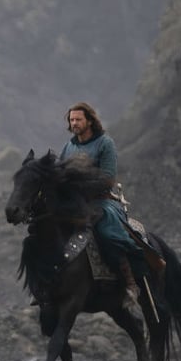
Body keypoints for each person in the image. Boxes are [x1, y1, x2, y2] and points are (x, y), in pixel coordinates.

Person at [59, 102, 146, 309]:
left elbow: (108, 179)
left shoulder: (105, 144)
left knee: (108, 233)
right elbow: (60, 173)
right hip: (74, 203)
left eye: (78, 119)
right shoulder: (69, 147)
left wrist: (78, 184)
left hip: (101, 201)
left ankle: (131, 285)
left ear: (89, 120)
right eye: (72, 120)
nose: (74, 123)